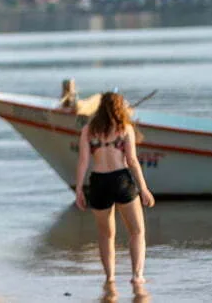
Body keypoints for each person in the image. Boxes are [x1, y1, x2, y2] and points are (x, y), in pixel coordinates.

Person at [73, 91, 153, 293]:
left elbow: (83, 161)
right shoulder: (125, 129)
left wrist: (79, 189)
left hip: (98, 182)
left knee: (105, 234)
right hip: (121, 180)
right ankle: (137, 276)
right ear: (120, 108)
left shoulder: (88, 130)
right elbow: (133, 161)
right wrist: (144, 189)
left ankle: (110, 278)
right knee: (136, 231)